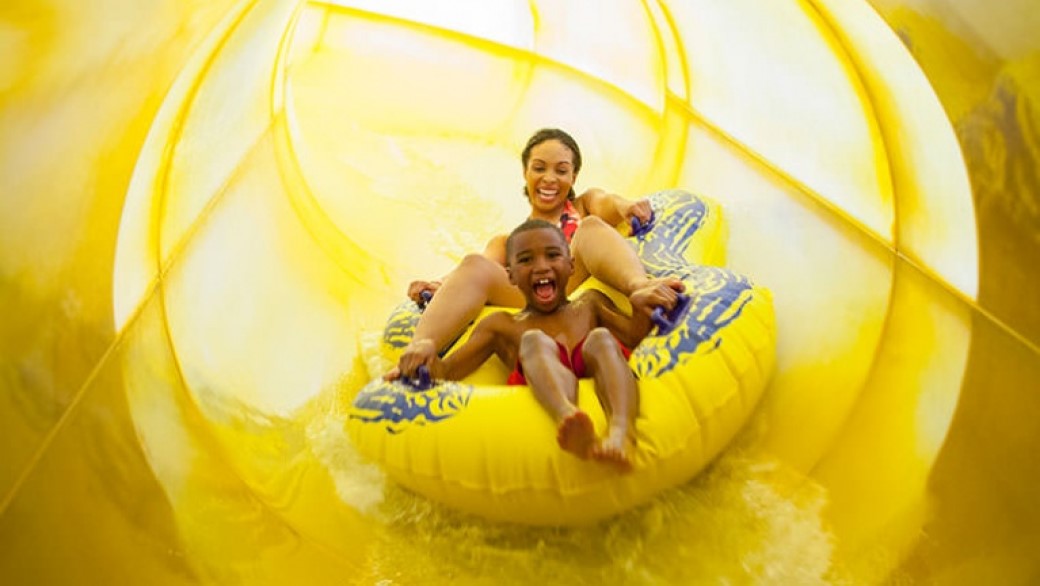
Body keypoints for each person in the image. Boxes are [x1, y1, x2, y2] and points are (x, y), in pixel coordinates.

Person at [389, 220, 680, 469]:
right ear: (511, 276)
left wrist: (640, 307)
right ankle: (567, 415)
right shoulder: (502, 325)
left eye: (553, 256)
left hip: (592, 364)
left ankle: (621, 432)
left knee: (602, 340)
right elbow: (448, 372)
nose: (541, 267)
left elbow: (633, 339)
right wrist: (427, 357)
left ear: (571, 265)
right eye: (526, 260)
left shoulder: (590, 304)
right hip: (541, 375)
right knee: (534, 342)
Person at [400, 128, 684, 378]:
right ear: (526, 173)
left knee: (590, 228)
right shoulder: (509, 242)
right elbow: (477, 269)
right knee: (476, 262)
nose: (549, 179)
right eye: (539, 168)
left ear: (574, 177)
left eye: (561, 171)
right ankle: (421, 349)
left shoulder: (583, 206)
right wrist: (438, 284)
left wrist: (627, 206)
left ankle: (641, 287)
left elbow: (608, 202)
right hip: (532, 296)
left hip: (577, 279)